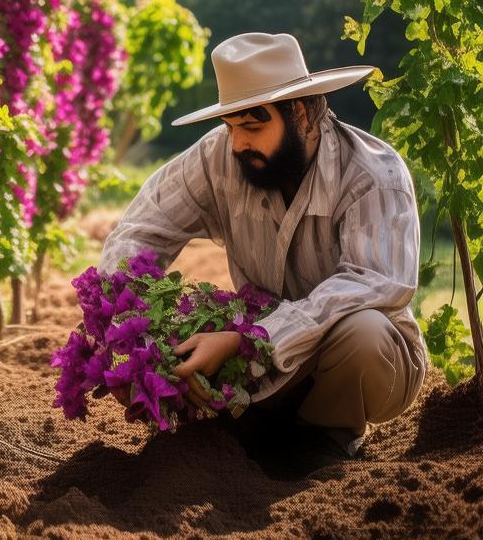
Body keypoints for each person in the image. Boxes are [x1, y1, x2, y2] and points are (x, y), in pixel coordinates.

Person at [98, 32, 428, 473]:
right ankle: (258, 425)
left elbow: (373, 281)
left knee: (363, 331)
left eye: (252, 127)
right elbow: (142, 229)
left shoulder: (374, 174)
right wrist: (132, 332)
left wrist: (249, 340)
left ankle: (325, 438)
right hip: (260, 366)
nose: (237, 144)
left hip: (368, 367)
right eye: (230, 126)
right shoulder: (223, 155)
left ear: (303, 114)